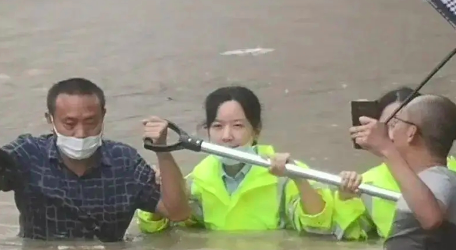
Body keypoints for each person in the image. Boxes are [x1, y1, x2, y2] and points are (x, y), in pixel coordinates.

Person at [0, 77, 190, 242]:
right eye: (70, 123)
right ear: (49, 119)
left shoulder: (124, 162)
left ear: (104, 116)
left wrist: (162, 150)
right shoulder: (29, 153)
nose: (81, 133)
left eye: (91, 122)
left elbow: (177, 212)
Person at [137, 86, 339, 235]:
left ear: (256, 130)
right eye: (217, 126)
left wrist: (299, 179)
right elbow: (156, 229)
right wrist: (159, 186)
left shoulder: (286, 175)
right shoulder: (197, 181)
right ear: (206, 131)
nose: (226, 136)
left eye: (238, 126)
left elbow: (320, 227)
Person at [347, 94, 456, 250]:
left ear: (411, 132)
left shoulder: (436, 179)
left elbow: (431, 218)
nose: (390, 131)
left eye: (396, 122)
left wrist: (386, 149)